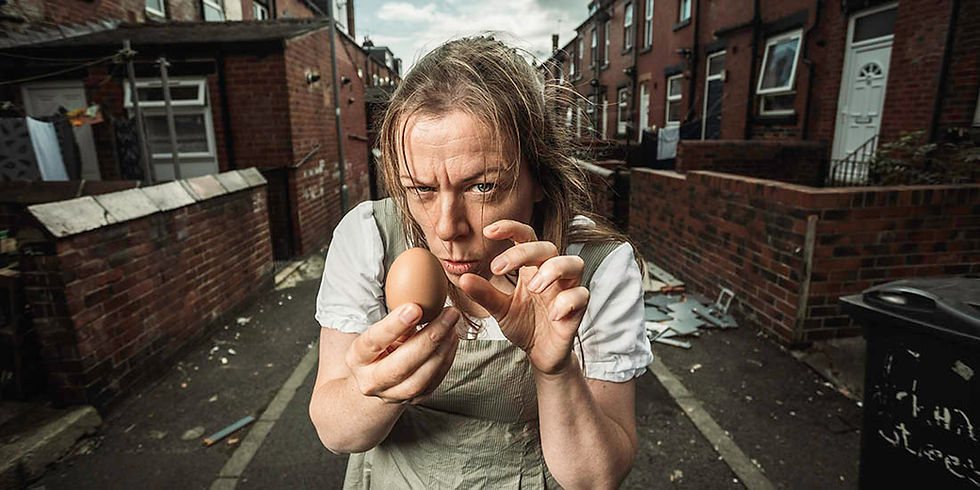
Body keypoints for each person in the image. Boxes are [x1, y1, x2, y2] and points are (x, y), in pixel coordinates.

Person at [310, 36, 653, 489]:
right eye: (422, 189)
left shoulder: (595, 268)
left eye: (483, 187)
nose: (447, 227)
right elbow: (335, 433)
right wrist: (373, 391)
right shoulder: (368, 237)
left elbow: (594, 479)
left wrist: (555, 369)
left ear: (540, 179)